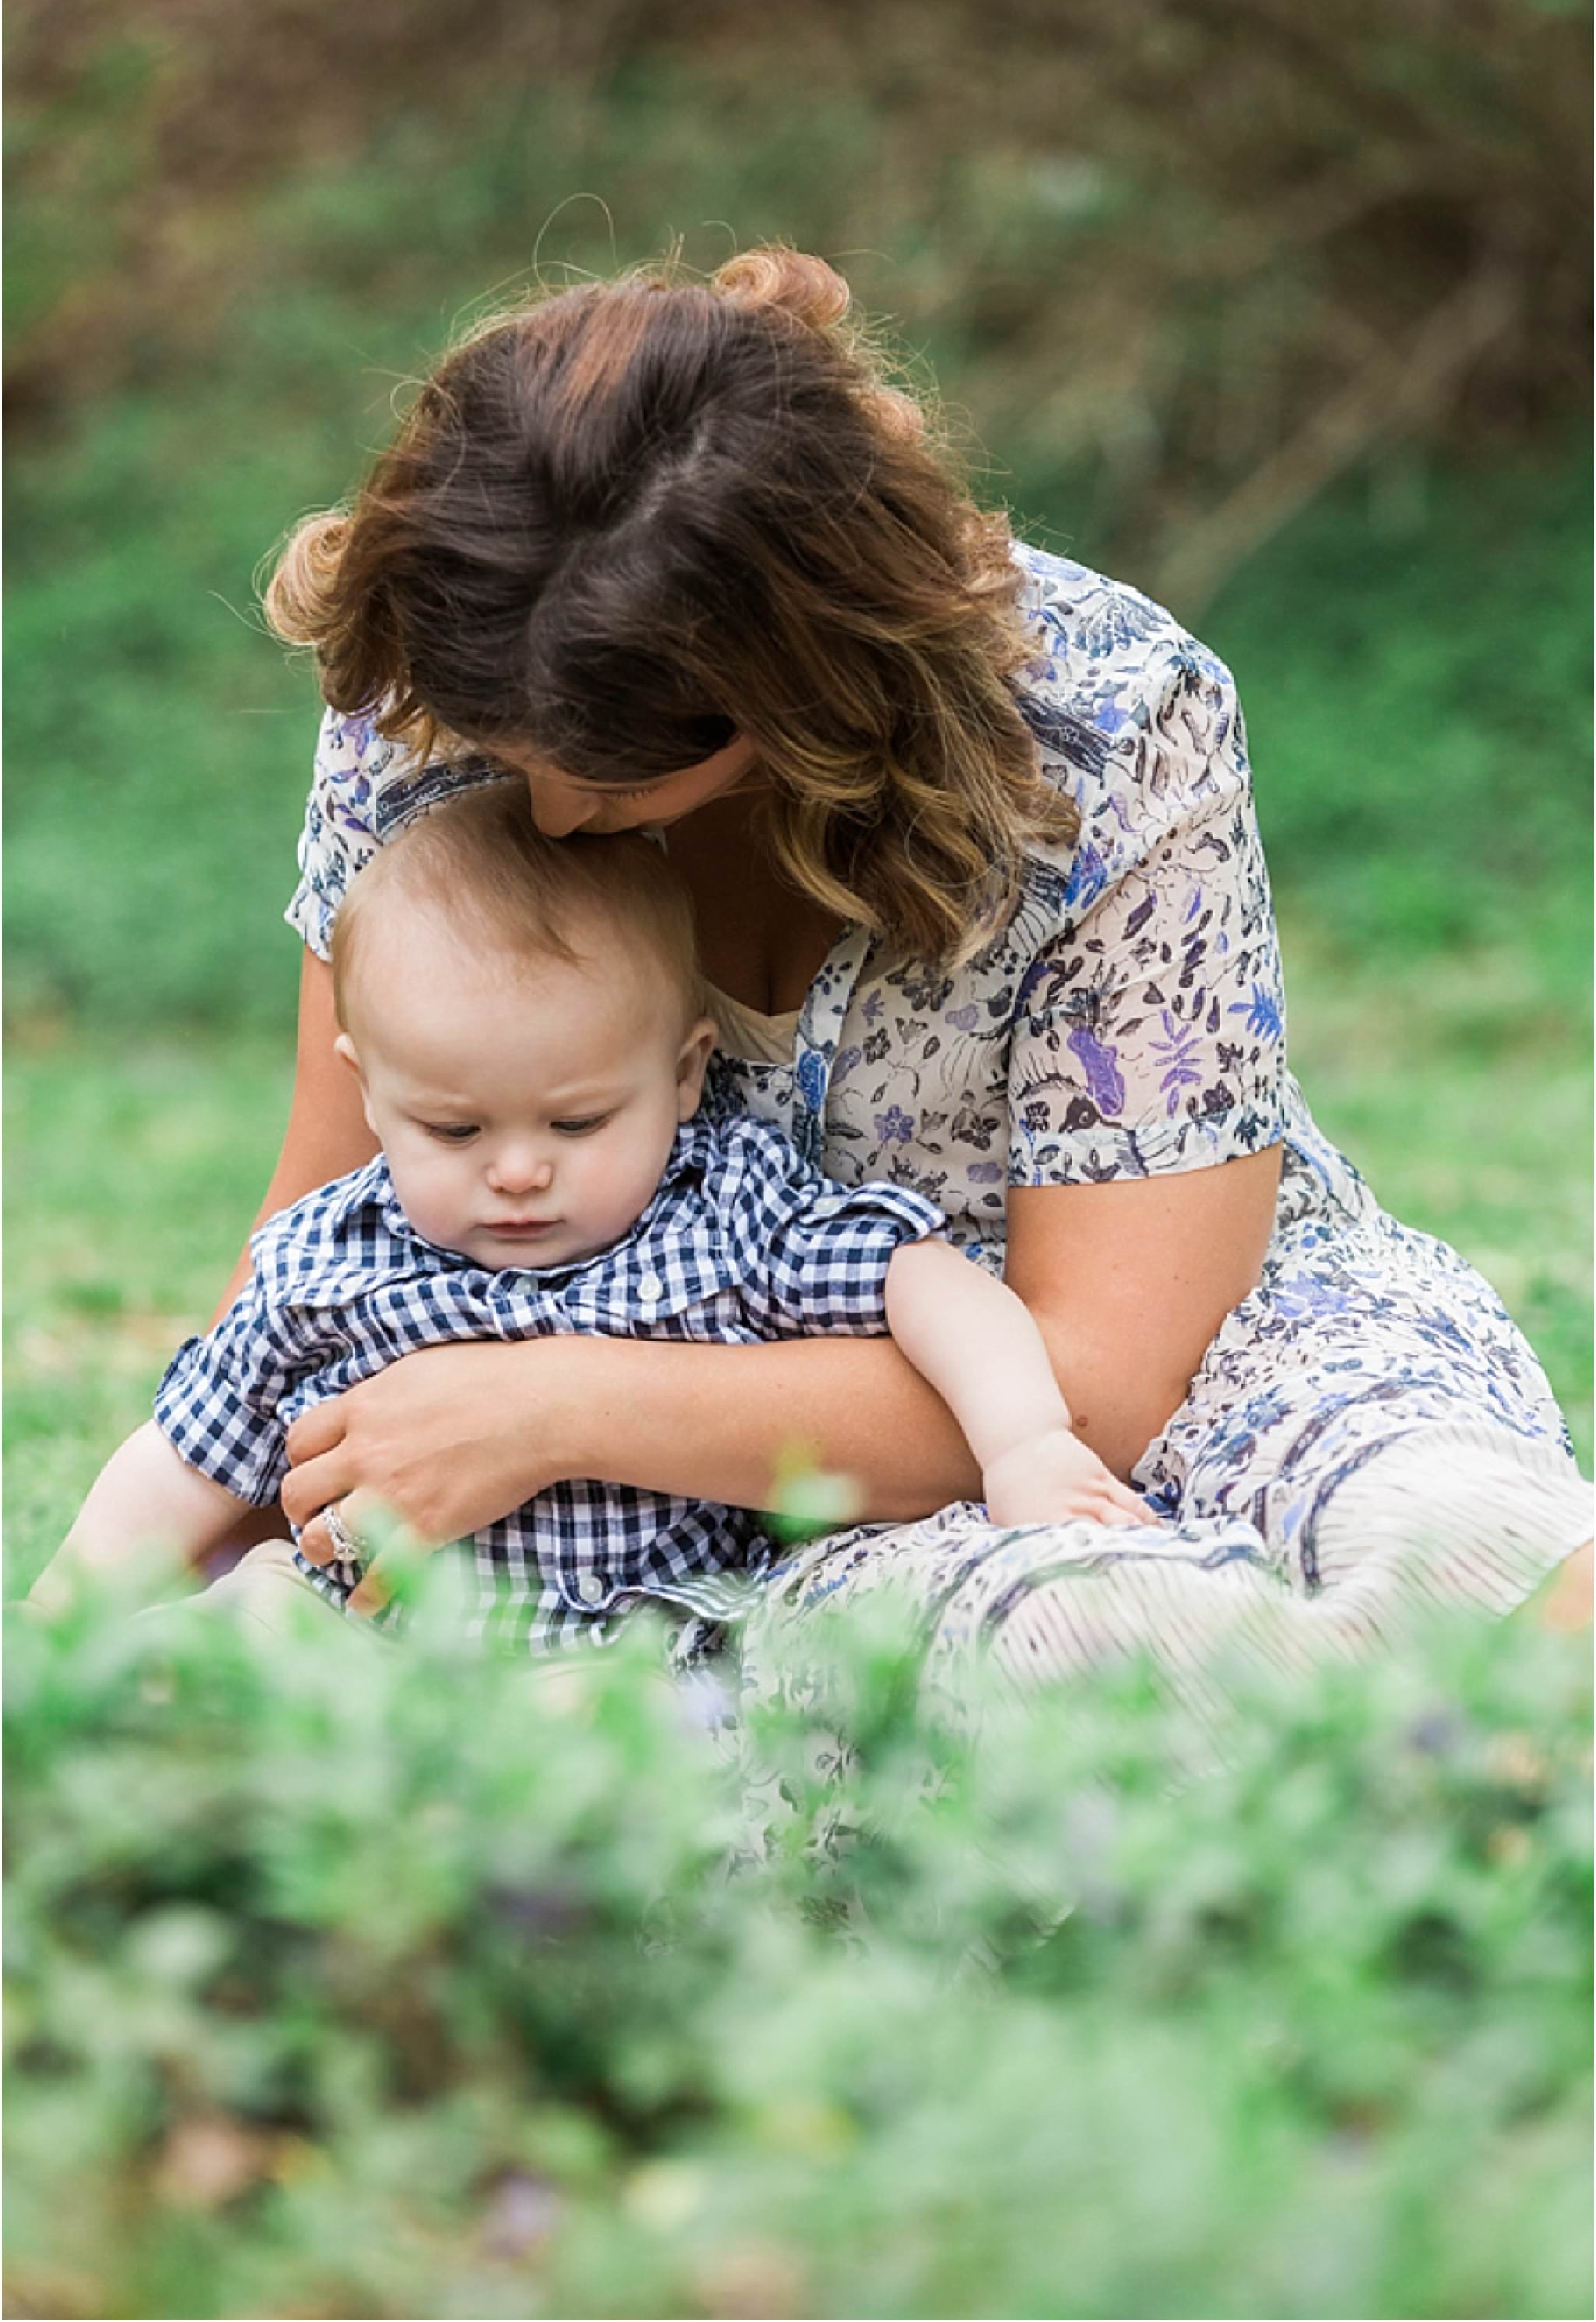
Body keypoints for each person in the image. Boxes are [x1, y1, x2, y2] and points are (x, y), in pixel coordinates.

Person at [124, 242, 1591, 1705]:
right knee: (1054, 1646)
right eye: (513, 758)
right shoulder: (432, 697)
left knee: (1467, 1543)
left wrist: (561, 1405)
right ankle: (1375, 1768)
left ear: (804, 682)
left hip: (1158, 1353)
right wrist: (218, 1578)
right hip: (736, 1511)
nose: (551, 813)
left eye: (621, 766)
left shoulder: (1107, 722)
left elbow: (1109, 1374)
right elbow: (322, 1231)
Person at [30, 785, 1151, 1645]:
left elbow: (925, 1278)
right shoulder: (325, 1259)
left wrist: (1026, 1439)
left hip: (646, 1657)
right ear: (368, 1090)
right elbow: (184, 1457)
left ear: (682, 1075)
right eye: (455, 1132)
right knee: (262, 1637)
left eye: (574, 1125)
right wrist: (55, 1627)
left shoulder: (723, 1212)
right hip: (371, 1650)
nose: (518, 1172)